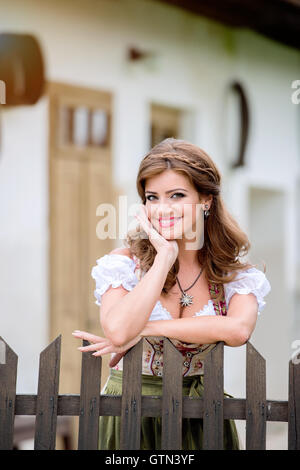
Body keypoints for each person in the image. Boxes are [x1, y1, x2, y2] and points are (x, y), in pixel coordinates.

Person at [72, 138, 271, 450]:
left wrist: (148, 328)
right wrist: (163, 259)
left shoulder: (236, 276)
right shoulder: (124, 264)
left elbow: (237, 330)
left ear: (206, 199)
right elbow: (118, 329)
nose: (162, 209)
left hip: (202, 412)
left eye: (176, 195)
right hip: (129, 411)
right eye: (152, 197)